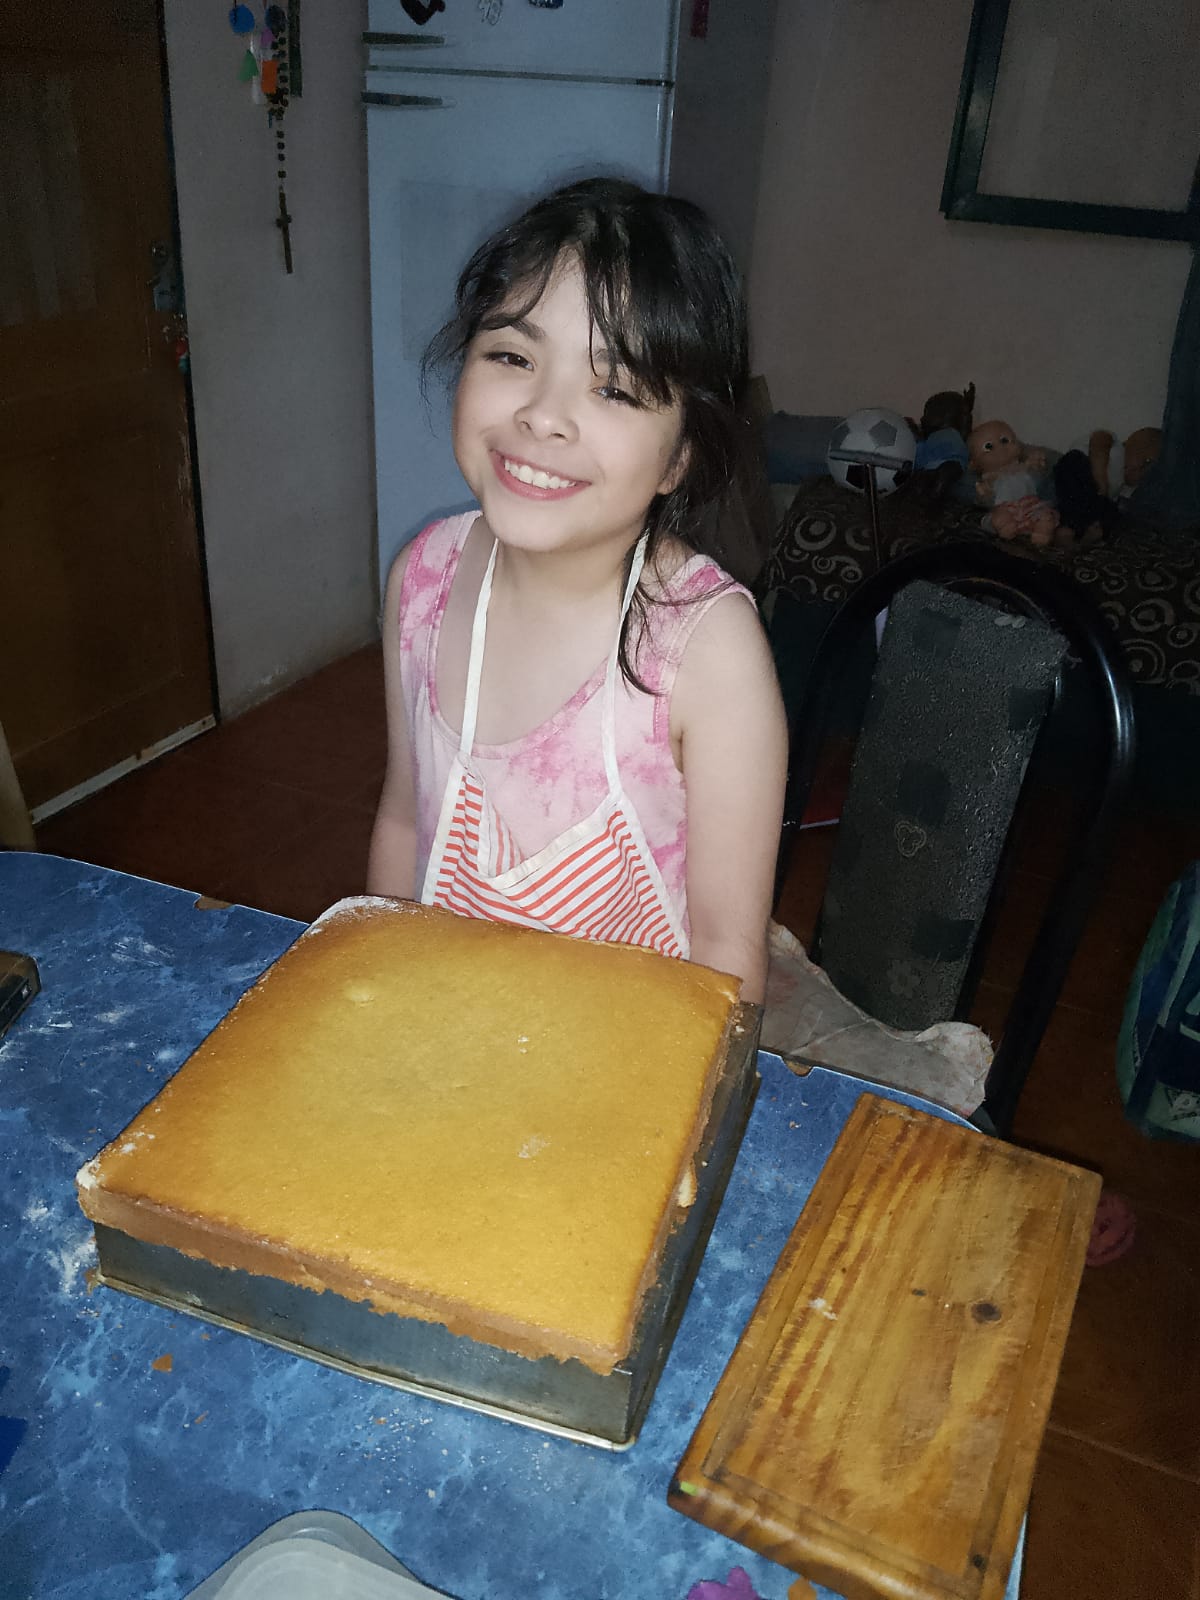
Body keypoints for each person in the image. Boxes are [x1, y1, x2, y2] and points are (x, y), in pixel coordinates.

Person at [366, 177, 787, 1001]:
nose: (544, 415)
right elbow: (402, 820)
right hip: (446, 1022)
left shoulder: (704, 652)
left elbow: (727, 956)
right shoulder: (421, 581)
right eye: (513, 357)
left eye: (614, 389)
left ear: (679, 457)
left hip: (629, 1054)